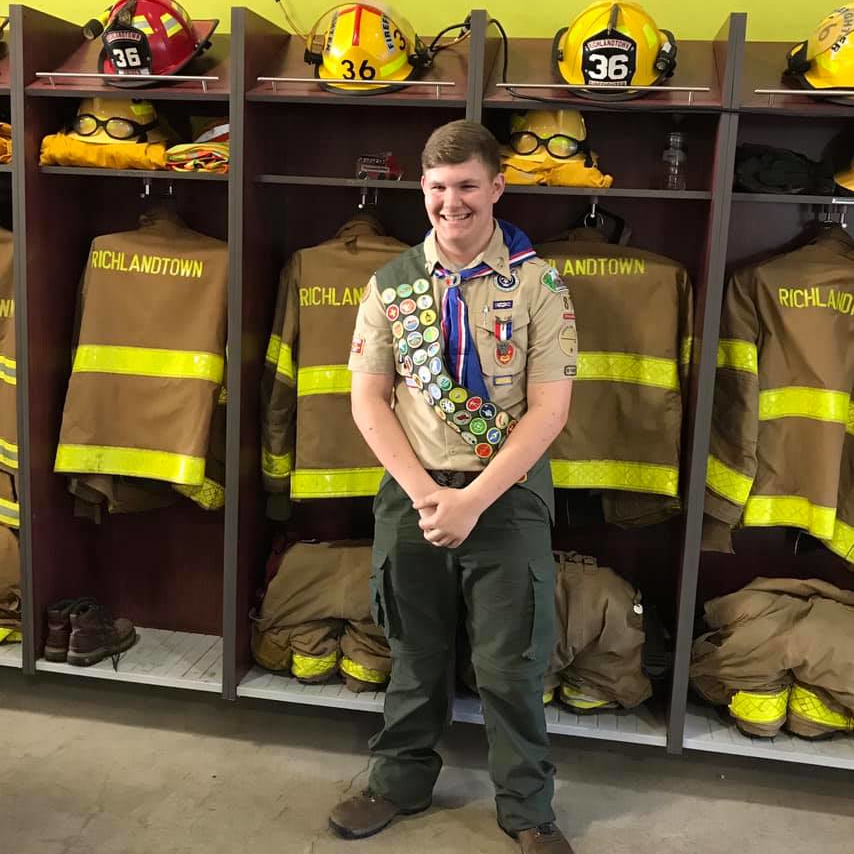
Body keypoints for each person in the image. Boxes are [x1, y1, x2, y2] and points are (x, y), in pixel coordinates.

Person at [333, 119, 577, 854]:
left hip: (505, 498)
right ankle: (397, 782)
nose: (452, 202)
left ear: (497, 187)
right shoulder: (392, 285)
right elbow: (368, 398)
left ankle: (528, 809)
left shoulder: (539, 283)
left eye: (468, 185)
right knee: (416, 651)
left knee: (511, 663)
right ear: (422, 190)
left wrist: (472, 501)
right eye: (438, 187)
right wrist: (424, 493)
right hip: (413, 496)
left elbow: (551, 408)